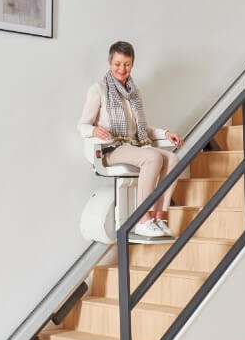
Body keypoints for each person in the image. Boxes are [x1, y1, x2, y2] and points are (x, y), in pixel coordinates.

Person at [78, 41, 184, 238]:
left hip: (132, 145)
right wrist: (94, 131)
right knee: (153, 158)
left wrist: (165, 134)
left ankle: (158, 218)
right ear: (110, 63)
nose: (122, 69)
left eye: (126, 64)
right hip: (112, 148)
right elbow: (82, 125)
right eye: (117, 63)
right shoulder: (99, 89)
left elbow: (142, 129)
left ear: (132, 65)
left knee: (173, 160)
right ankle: (142, 219)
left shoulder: (134, 93)